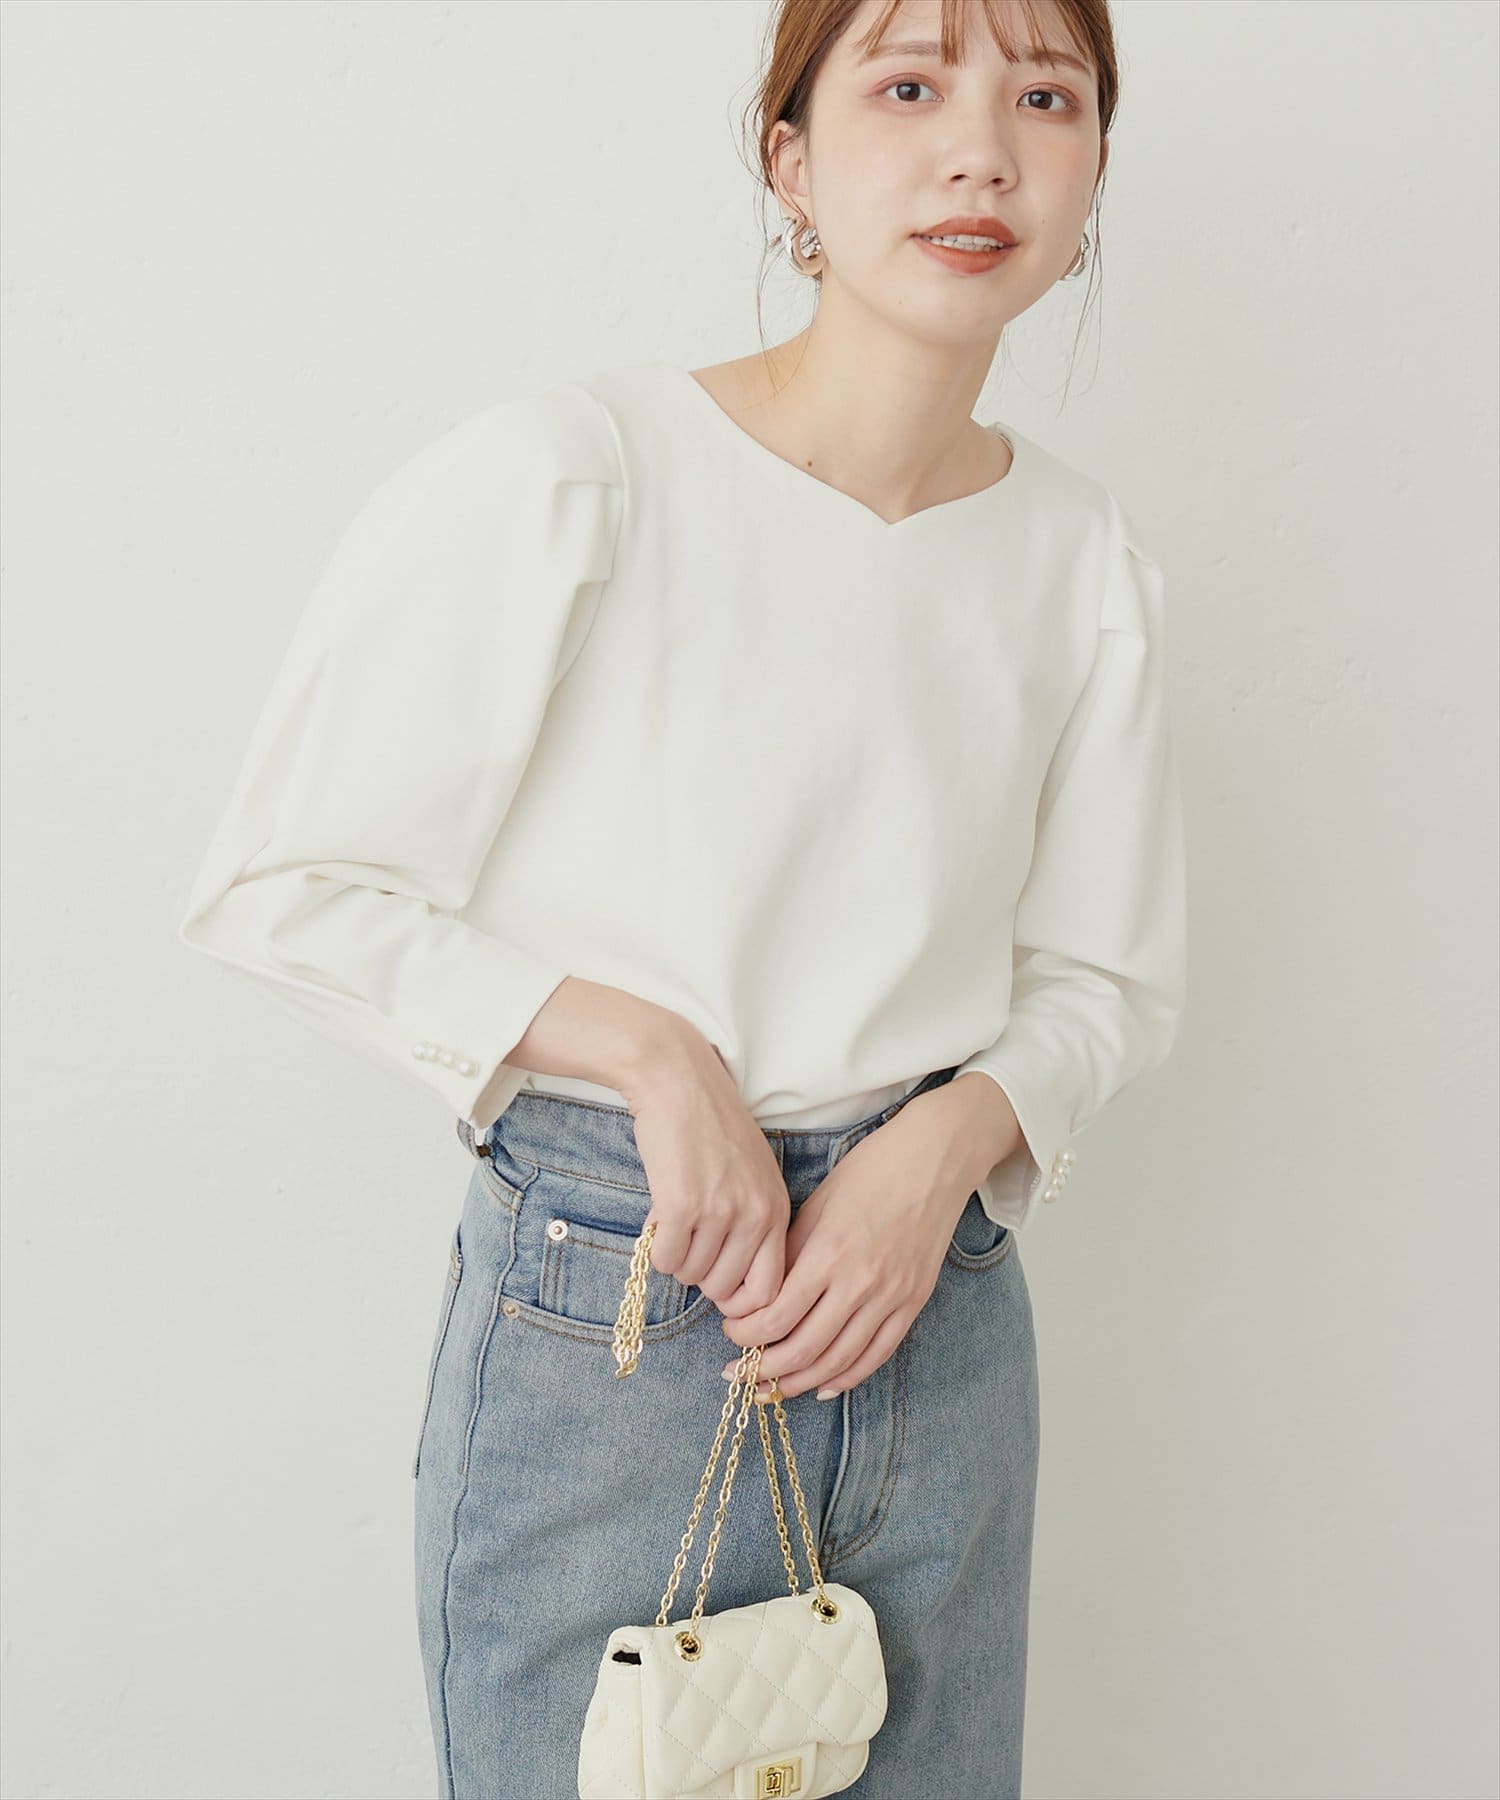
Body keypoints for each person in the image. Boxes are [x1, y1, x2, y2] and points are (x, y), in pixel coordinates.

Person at [177, 0, 1186, 1792]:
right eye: (908, 87)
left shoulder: (1078, 552)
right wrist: (650, 1055)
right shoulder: (583, 474)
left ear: (1095, 165)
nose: (981, 151)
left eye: (1046, 96)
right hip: (621, 1313)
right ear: (789, 160)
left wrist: (942, 1149)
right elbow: (288, 879)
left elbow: (1107, 977)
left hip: (933, 1309)